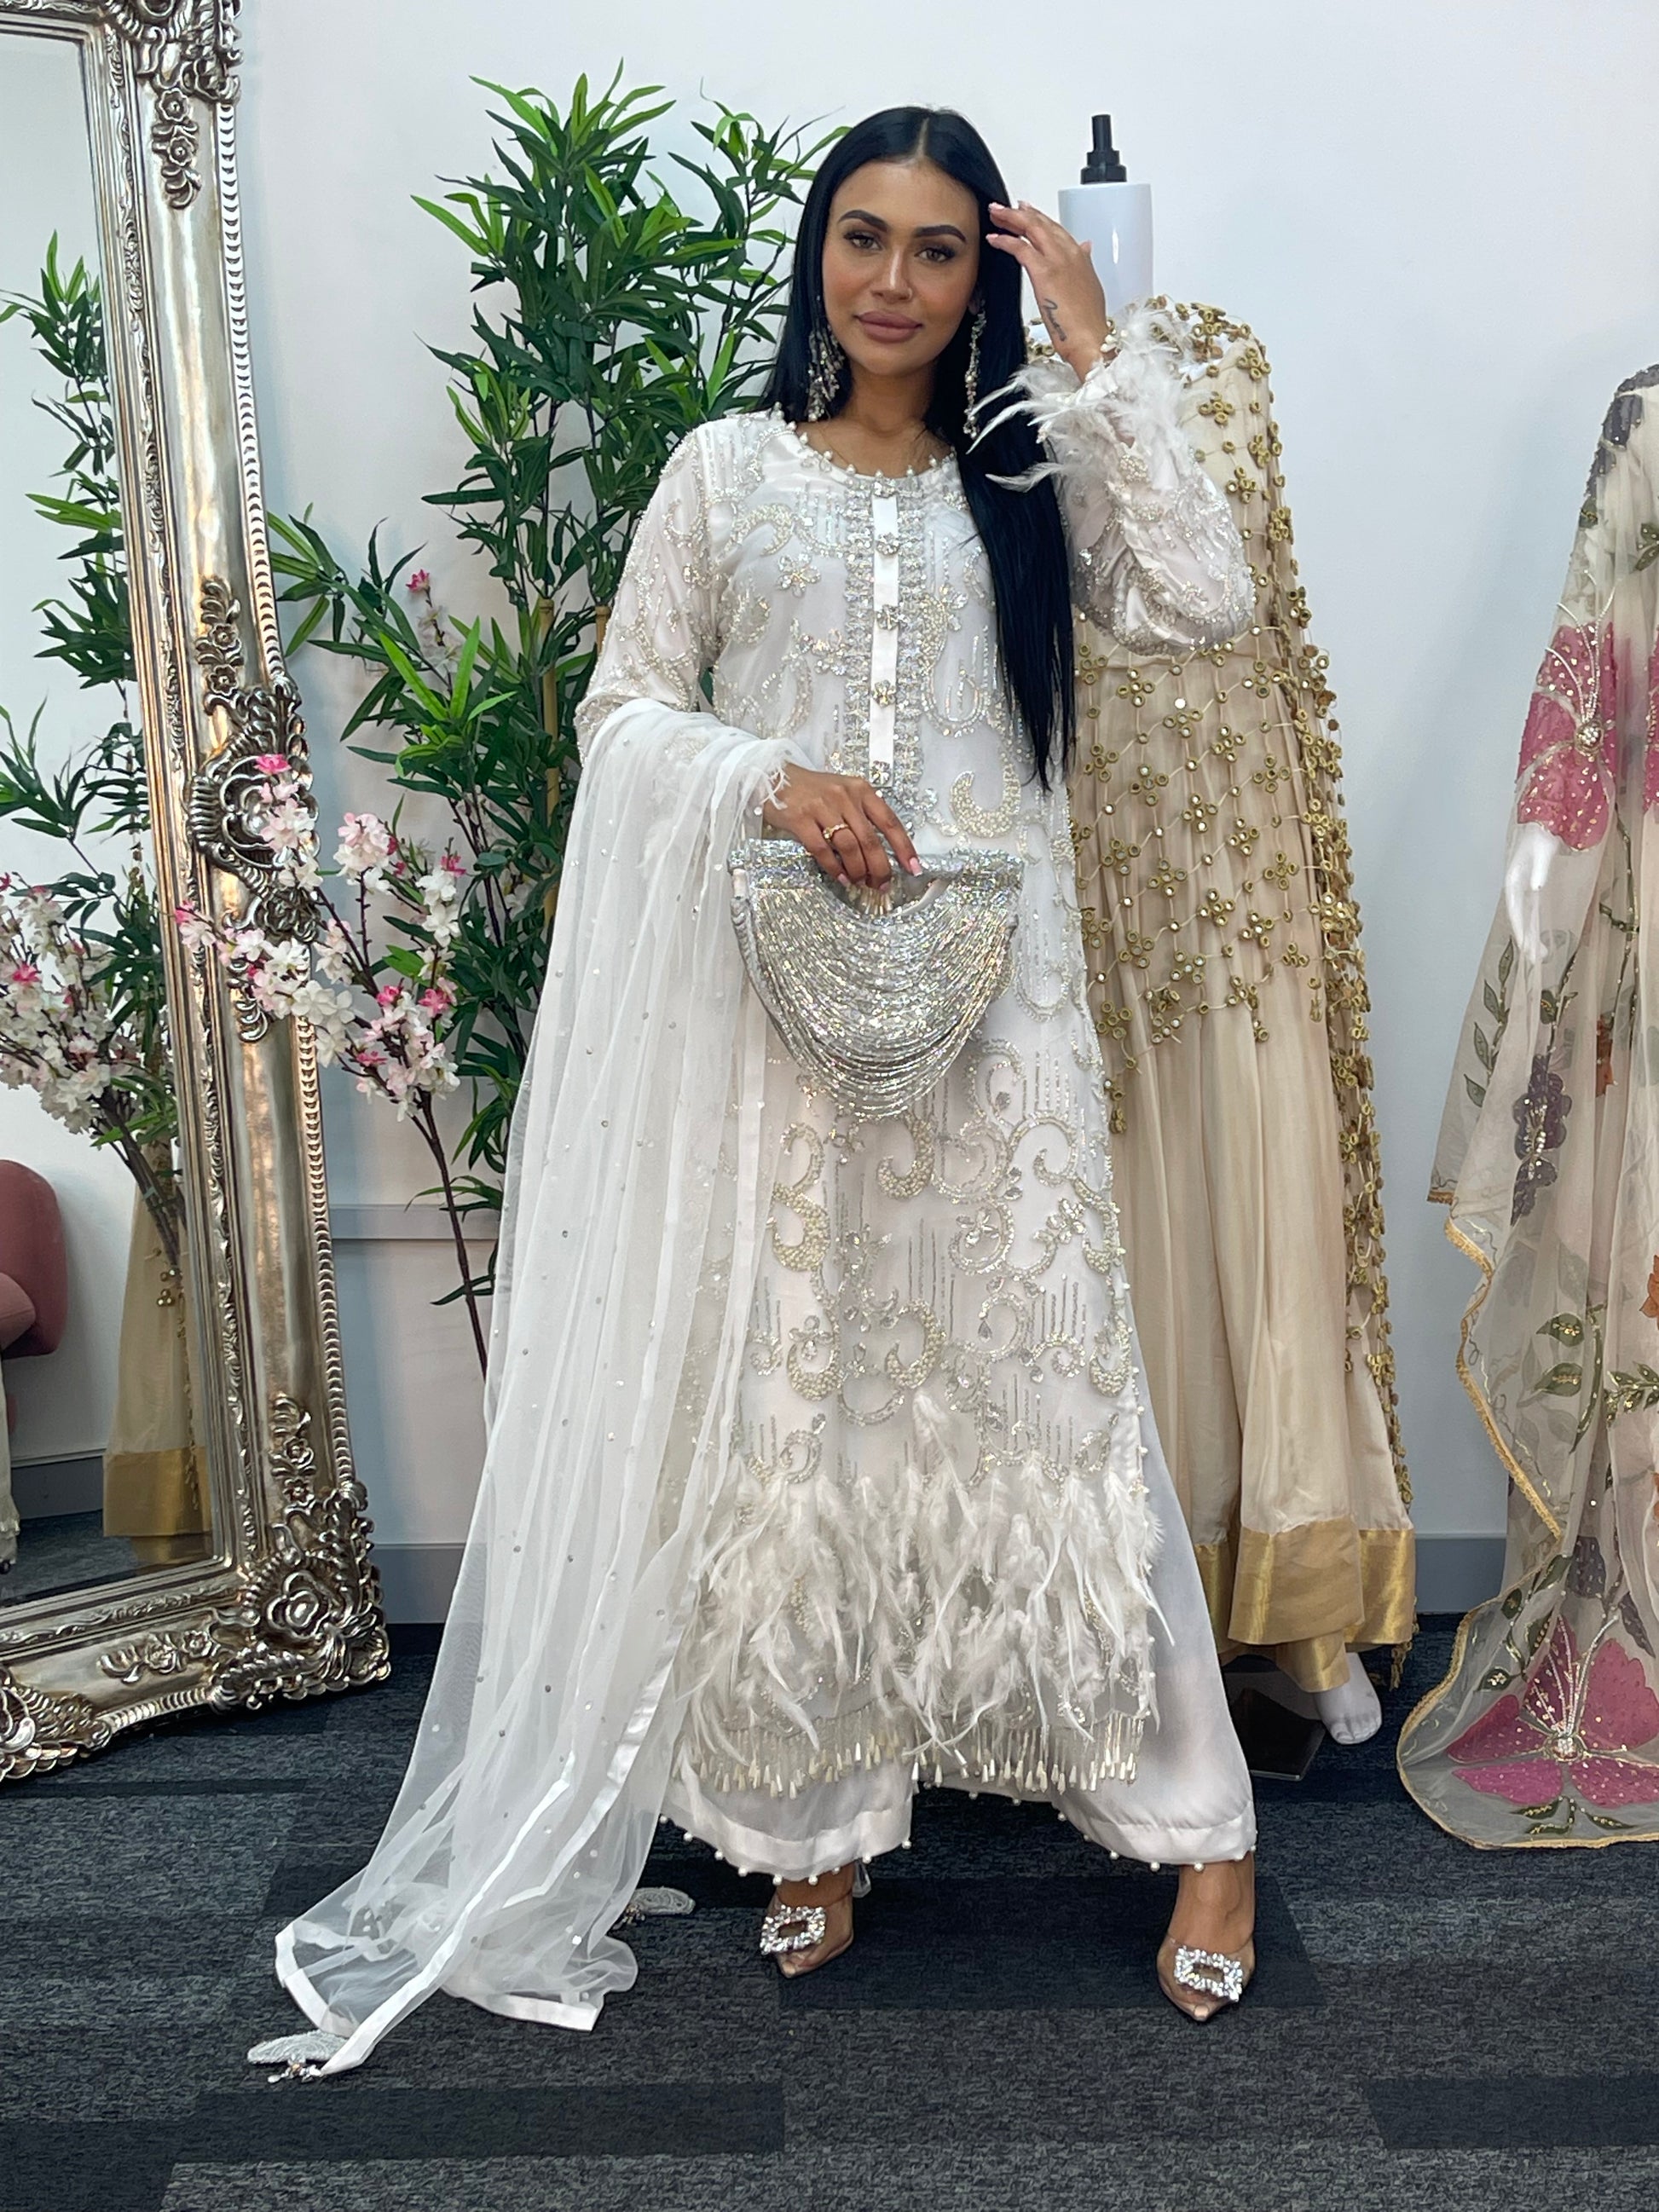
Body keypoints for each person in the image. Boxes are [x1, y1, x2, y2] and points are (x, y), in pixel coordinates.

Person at [276, 106, 1259, 2076]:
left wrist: (1093, 349)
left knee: (1055, 1391)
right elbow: (630, 707)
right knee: (804, 1402)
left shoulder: (1020, 473)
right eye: (861, 239)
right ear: (816, 253)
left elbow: (1206, 598)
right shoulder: (724, 475)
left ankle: (1201, 1835)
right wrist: (769, 776)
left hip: (1004, 1017)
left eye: (938, 252)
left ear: (982, 277)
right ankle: (817, 1816)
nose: (892, 282)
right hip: (786, 1017)